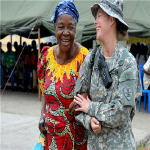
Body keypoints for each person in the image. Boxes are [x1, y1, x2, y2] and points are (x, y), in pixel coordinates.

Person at [72, 0, 139, 149]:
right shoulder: (91, 59)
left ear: (112, 20)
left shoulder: (127, 62)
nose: (95, 22)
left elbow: (121, 113)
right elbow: (77, 104)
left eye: (99, 16)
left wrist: (91, 107)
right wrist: (88, 121)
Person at [37, 0, 88, 149]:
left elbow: (96, 94)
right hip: (51, 136)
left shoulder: (85, 58)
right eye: (61, 27)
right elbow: (45, 93)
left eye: (70, 27)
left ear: (76, 29)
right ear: (54, 28)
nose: (65, 32)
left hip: (76, 138)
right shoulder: (46, 57)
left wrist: (83, 98)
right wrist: (42, 116)